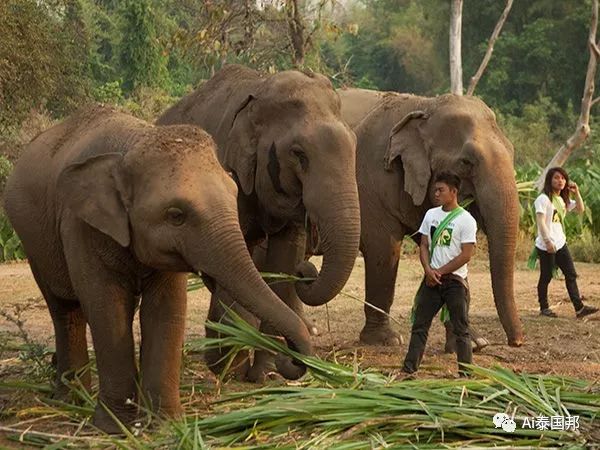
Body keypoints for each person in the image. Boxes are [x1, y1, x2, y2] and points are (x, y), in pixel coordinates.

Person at [402, 171, 476, 377]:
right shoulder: (431, 215)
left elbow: (466, 255)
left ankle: (466, 374)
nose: (436, 194)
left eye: (441, 190)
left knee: (461, 329)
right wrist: (428, 270)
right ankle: (409, 370)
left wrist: (440, 271)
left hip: (454, 282)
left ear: (453, 192)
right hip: (431, 280)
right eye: (435, 190)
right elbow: (424, 244)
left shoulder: (466, 220)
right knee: (419, 325)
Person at [534, 167, 598, 319]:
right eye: (556, 178)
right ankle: (544, 308)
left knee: (571, 274)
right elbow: (540, 222)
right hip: (546, 245)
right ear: (550, 180)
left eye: (563, 178)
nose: (560, 181)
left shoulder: (563, 200)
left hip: (561, 242)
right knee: (546, 276)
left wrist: (577, 192)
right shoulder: (543, 199)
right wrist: (548, 241)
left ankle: (579, 308)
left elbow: (580, 209)